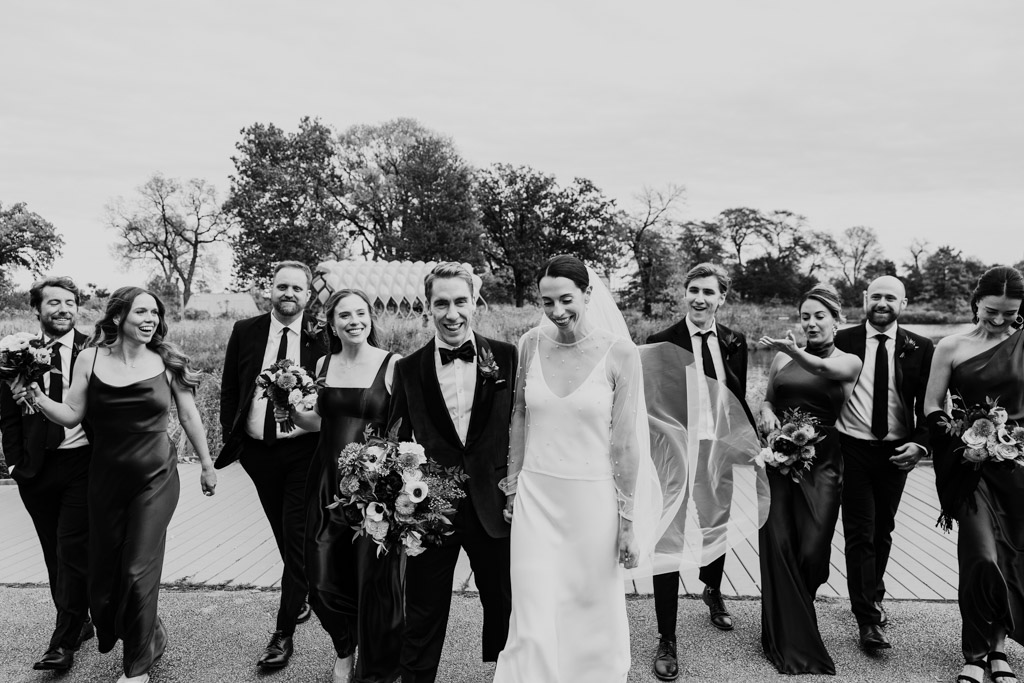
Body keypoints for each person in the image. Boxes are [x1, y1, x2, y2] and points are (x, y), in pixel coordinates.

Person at [24, 286, 217, 683]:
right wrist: (37, 397)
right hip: (106, 480)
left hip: (156, 478)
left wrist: (207, 464)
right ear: (118, 318)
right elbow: (73, 414)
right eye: (141, 312)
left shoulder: (165, 361)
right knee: (106, 578)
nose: (150, 320)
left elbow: (190, 415)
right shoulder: (90, 358)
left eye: (154, 314)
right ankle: (152, 633)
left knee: (136, 569)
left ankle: (137, 668)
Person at [494, 255, 646, 682]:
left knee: (590, 605)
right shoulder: (529, 344)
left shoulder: (621, 354)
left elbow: (626, 441)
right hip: (536, 497)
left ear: (588, 294)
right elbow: (519, 417)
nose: (557, 311)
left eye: (566, 299)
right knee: (531, 603)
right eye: (547, 302)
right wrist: (512, 486)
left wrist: (628, 521)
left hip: (592, 500)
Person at [387, 262, 515, 683]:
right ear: (428, 307)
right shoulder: (408, 369)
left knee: (505, 604)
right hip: (432, 512)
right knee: (422, 612)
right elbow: (396, 439)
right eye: (441, 303)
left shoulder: (508, 358)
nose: (452, 313)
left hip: (495, 505)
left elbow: (524, 427)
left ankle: (509, 674)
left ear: (474, 302)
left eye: (460, 301)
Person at [645, 263, 755, 681]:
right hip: (673, 457)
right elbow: (650, 408)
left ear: (721, 297)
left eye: (709, 292)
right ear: (684, 293)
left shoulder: (735, 341)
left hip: (717, 451)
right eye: (693, 290)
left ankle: (712, 589)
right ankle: (667, 636)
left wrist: (747, 444)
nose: (700, 298)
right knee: (668, 538)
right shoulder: (660, 342)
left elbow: (737, 398)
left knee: (717, 525)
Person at [217, 260, 327, 670]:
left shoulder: (321, 335)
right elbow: (231, 387)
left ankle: (283, 632)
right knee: (283, 532)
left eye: (297, 289)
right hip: (258, 453)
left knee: (296, 535)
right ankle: (302, 593)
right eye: (282, 287)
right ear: (270, 290)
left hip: (304, 451)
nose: (289, 295)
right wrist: (238, 439)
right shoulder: (245, 331)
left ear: (308, 295)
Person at [291, 289, 402, 683]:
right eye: (344, 316)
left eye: (361, 313)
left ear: (370, 318)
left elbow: (404, 430)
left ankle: (372, 663)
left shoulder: (392, 365)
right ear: (332, 324)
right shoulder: (323, 363)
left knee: (371, 580)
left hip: (373, 489)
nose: (354, 321)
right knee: (319, 577)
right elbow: (317, 422)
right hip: (326, 484)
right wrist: (287, 405)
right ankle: (344, 645)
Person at [924, 266, 1024, 683]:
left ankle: (997, 651)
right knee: (981, 556)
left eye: (1010, 313)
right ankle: (974, 651)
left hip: (1019, 468)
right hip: (971, 468)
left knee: (1011, 559)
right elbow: (931, 405)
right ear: (975, 302)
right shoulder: (951, 345)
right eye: (991, 311)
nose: (1000, 321)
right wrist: (960, 438)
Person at [757, 283, 862, 675]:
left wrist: (791, 350)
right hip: (778, 461)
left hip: (824, 464)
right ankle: (785, 631)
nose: (812, 323)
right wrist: (767, 412)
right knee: (779, 539)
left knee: (813, 548)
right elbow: (769, 397)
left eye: (820, 316)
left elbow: (820, 369)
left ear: (838, 321)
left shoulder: (848, 360)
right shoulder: (781, 361)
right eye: (806, 316)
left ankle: (797, 607)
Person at [835, 275, 934, 651]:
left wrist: (921, 446)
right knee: (860, 531)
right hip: (853, 449)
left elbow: (928, 403)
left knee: (883, 529)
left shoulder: (921, 347)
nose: (882, 302)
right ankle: (868, 619)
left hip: (897, 452)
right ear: (864, 298)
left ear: (903, 304)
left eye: (890, 297)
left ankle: (872, 593)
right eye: (875, 295)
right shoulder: (841, 341)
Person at [0, 277, 93, 672]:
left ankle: (63, 642)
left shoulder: (96, 349)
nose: (63, 309)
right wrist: (17, 464)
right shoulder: (14, 351)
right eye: (53, 303)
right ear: (36, 310)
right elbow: (6, 413)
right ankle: (79, 621)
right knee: (53, 551)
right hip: (35, 468)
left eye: (70, 302)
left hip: (84, 462)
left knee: (71, 549)